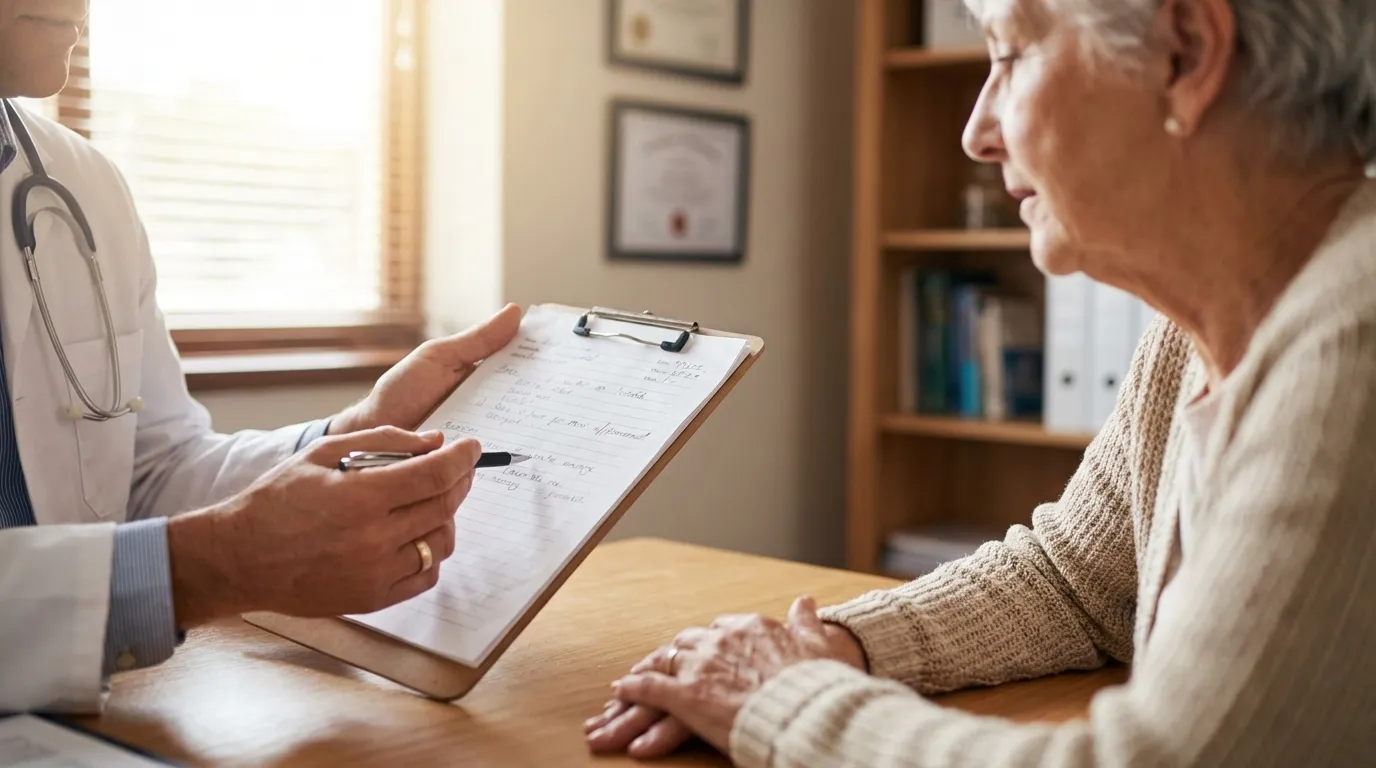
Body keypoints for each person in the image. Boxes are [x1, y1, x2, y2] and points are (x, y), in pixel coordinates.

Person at [587, 0, 1376, 764]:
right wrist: (837, 643)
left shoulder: (1354, 340)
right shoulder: (1197, 328)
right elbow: (1074, 585)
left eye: (1008, 53)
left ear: (1187, 53)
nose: (976, 134)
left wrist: (782, 701)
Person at [0, 0, 521, 712]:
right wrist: (204, 570)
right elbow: (188, 548)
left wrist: (349, 437)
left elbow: (149, 475)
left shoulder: (81, 188)